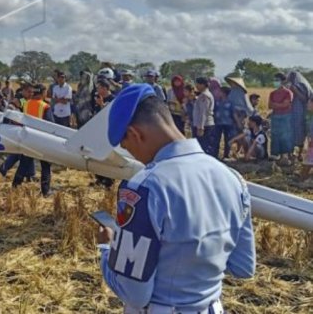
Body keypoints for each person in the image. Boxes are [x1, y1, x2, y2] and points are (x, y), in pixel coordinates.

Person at [97, 84, 255, 313]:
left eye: (126, 146)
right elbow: (243, 266)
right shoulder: (233, 178)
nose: (132, 154)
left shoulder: (144, 188)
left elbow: (134, 293)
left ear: (134, 134)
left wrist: (107, 248)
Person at [269, 72, 294, 166]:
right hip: (275, 116)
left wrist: (276, 105)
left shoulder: (288, 92)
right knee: (275, 135)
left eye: (277, 80)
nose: (275, 82)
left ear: (283, 81)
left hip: (285, 116)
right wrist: (280, 105)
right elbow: (269, 105)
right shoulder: (272, 93)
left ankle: (285, 155)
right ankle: (275, 154)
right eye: (274, 80)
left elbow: (286, 104)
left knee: (285, 136)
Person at [193, 77, 216, 157]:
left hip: (205, 125)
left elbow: (203, 113)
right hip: (203, 124)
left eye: (198, 84)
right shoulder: (203, 95)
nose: (196, 86)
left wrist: (201, 127)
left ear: (203, 85)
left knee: (204, 146)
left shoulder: (204, 96)